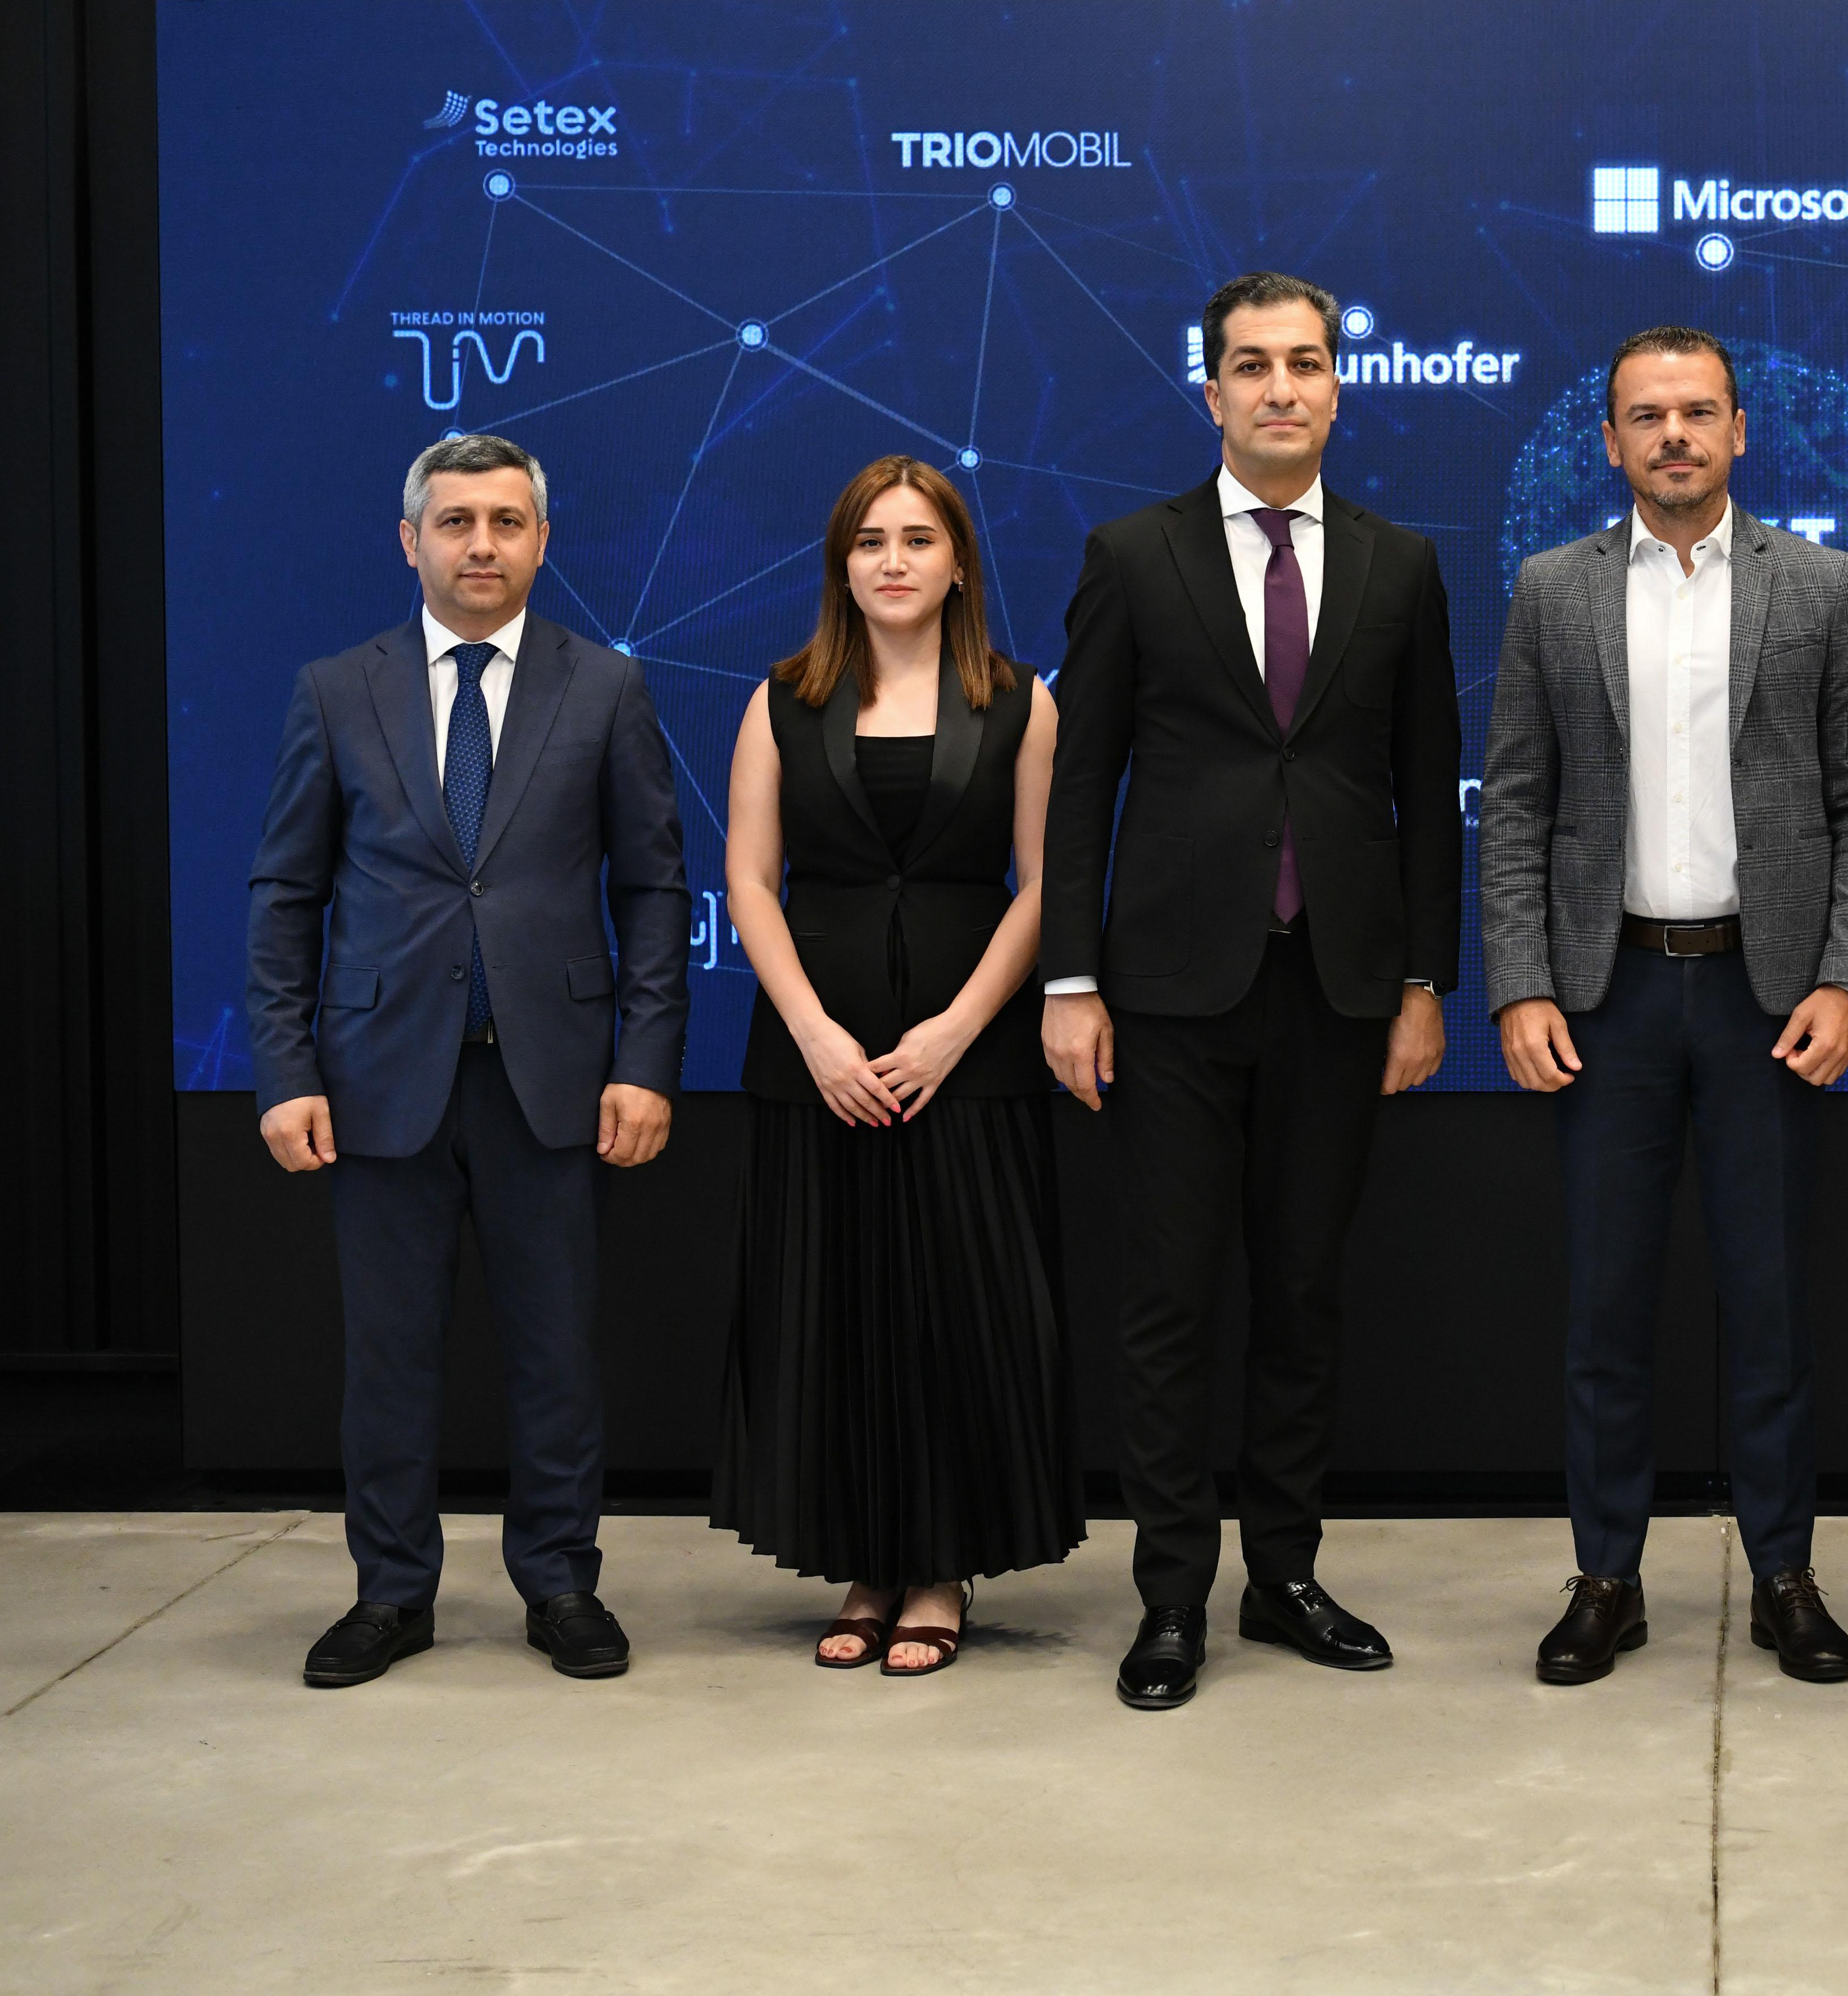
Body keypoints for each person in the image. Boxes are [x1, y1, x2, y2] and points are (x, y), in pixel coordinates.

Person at [1041, 270, 1464, 1711]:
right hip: (1169, 992)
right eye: (1253, 364)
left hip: (1338, 989)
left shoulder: (1402, 565)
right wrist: (1070, 980)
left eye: (1306, 362)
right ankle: (1172, 1597)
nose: (1282, 386)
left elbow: (1426, 790)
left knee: (1301, 1295)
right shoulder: (1131, 554)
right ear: (1211, 388)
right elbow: (1083, 781)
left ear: (1339, 386)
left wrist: (1424, 980)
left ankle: (1283, 1573)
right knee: (1170, 1301)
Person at [1483, 326, 1848, 1688]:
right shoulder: (1552, 590)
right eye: (1648, 415)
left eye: (1699, 412)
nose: (1674, 435)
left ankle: (1783, 1576)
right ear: (1610, 440)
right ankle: (1606, 1578)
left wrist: (1846, 975)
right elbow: (1518, 804)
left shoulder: (1823, 585)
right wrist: (1520, 983)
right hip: (1604, 998)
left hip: (1763, 998)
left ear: (1739, 432)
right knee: (1605, 1314)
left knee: (1769, 1309)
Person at [246, 432, 689, 1689]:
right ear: (411, 542)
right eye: (455, 522)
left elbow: (655, 890)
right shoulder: (338, 690)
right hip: (378, 1081)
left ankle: (561, 1583)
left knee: (557, 1353)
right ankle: (391, 1593)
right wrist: (285, 1070)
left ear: (543, 541)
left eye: (505, 521)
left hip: (554, 1080)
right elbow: (286, 893)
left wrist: (646, 1061)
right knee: (389, 1359)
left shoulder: (607, 687)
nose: (480, 544)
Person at [712, 456, 1080, 1676]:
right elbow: (748, 881)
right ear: (842, 565)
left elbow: (1047, 884)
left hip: (968, 1058)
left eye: (919, 539)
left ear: (959, 562)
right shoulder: (781, 700)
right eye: (871, 541)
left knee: (962, 1319)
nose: (894, 561)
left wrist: (958, 1028)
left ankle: (938, 1573)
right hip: (820, 1064)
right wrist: (817, 1035)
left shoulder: (1022, 702)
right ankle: (866, 1566)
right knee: (837, 1317)